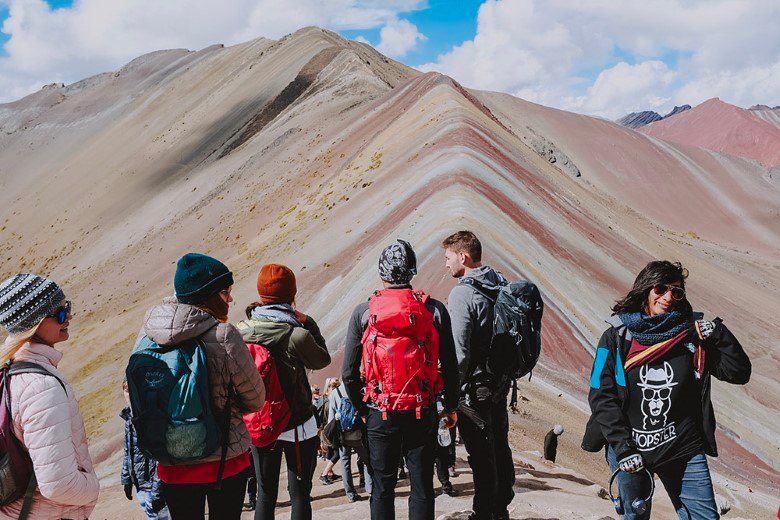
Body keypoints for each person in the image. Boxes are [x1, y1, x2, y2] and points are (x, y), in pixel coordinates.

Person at [582, 260, 751, 520]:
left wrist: (720, 333)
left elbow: (738, 372)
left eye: (677, 291)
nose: (668, 297)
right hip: (631, 449)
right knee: (635, 516)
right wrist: (624, 449)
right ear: (646, 290)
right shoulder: (616, 337)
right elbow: (601, 394)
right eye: (660, 289)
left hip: (682, 447)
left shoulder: (691, 336)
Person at [135, 253, 266, 520]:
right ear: (208, 296)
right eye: (225, 292)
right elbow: (255, 398)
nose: (230, 299)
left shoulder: (149, 333)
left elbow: (133, 390)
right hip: (224, 460)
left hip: (170, 458)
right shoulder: (223, 335)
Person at [342, 239, 459, 520]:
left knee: (382, 487)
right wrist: (451, 406)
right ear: (411, 272)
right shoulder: (434, 311)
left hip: (379, 412)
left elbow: (347, 373)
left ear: (382, 273)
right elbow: (452, 366)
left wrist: (363, 410)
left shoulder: (364, 312)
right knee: (421, 486)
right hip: (422, 409)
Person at [0, 273, 100, 519]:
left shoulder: (8, 372)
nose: (69, 317)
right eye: (60, 313)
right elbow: (59, 484)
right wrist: (93, 488)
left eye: (68, 307)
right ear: (32, 323)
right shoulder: (41, 388)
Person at [238, 263, 331, 520]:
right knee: (300, 494)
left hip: (260, 423)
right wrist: (309, 322)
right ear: (292, 293)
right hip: (297, 424)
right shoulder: (296, 334)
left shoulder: (241, 332)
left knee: (265, 495)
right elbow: (321, 360)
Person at [442, 230, 516, 520]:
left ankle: (485, 512)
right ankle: (501, 507)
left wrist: (451, 394)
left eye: (448, 258)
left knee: (481, 455)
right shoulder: (499, 284)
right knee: (499, 445)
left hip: (475, 388)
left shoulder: (463, 293)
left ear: (463, 256)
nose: (446, 264)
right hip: (500, 382)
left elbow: (460, 353)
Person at [120, 380, 169, 519]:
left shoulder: (151, 418)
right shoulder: (128, 417)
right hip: (140, 485)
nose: (128, 396)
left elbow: (161, 459)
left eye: (131, 391)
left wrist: (157, 492)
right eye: (126, 391)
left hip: (154, 489)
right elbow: (127, 451)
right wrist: (126, 479)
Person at [328, 379, 373, 502]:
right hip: (358, 433)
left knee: (345, 463)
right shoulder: (357, 391)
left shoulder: (334, 393)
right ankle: (370, 489)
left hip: (342, 434)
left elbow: (331, 418)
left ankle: (350, 494)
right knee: (366, 461)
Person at [319, 377, 342, 484]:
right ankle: (324, 474)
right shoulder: (330, 401)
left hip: (325, 430)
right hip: (332, 430)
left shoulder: (324, 400)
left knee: (331, 452)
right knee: (337, 453)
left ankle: (330, 473)